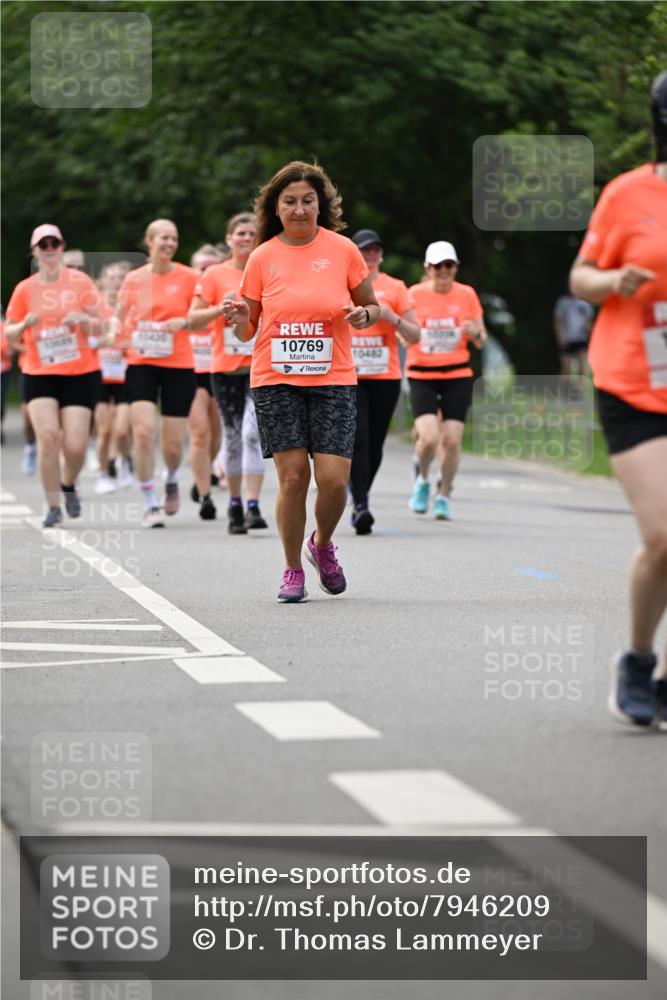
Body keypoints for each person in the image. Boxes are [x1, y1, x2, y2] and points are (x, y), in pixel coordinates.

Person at [221, 161, 379, 601]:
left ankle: (321, 545)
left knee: (333, 481)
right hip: (276, 378)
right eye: (289, 201)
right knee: (292, 478)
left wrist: (363, 315)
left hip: (333, 378)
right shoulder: (263, 256)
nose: (299, 209)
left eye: (308, 201)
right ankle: (292, 569)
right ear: (276, 207)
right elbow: (247, 328)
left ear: (320, 205)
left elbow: (372, 307)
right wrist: (238, 318)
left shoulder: (343, 250)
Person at [570, 70, 667, 729]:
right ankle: (636, 661)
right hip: (633, 378)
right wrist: (612, 280)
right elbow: (579, 277)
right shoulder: (626, 193)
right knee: (663, 535)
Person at [4, 224, 102, 526]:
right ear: (34, 251)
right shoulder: (25, 289)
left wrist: (83, 320)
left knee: (74, 445)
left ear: (62, 246)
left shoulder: (81, 282)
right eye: (42, 243)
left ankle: (69, 483)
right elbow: (8, 332)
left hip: (79, 371)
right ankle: (52, 505)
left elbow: (102, 326)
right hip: (39, 370)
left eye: (54, 242)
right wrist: (23, 325)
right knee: (48, 437)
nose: (48, 247)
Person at [113, 219, 198, 528]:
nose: (169, 243)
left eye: (174, 238)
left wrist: (185, 322)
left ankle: (172, 477)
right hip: (142, 362)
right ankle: (150, 502)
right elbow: (119, 317)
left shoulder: (189, 278)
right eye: (163, 237)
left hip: (179, 364)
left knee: (174, 445)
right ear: (149, 241)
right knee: (144, 432)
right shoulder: (134, 279)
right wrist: (113, 332)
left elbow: (200, 316)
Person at [189, 217, 267, 533]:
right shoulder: (215, 274)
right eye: (240, 233)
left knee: (253, 434)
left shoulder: (266, 269)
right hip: (225, 370)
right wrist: (219, 310)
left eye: (252, 233)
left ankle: (253, 503)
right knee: (233, 438)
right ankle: (235, 503)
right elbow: (193, 319)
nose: (246, 238)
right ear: (230, 238)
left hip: (260, 368)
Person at [407, 241, 487, 519]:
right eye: (437, 266)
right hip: (422, 374)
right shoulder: (414, 295)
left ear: (455, 267)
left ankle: (444, 495)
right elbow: (400, 333)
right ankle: (423, 480)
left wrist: (473, 331)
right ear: (427, 268)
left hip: (457, 374)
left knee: (452, 440)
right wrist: (412, 334)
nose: (443, 271)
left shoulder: (467, 294)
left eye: (448, 265)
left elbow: (482, 339)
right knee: (428, 438)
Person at [347, 229, 420, 534]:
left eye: (376, 249)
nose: (371, 254)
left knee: (375, 443)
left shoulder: (396, 287)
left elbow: (415, 335)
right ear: (355, 253)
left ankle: (359, 493)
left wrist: (392, 317)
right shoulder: (343, 283)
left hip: (385, 376)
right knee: (358, 440)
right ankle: (361, 504)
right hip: (349, 375)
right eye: (365, 249)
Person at [187, 244, 225, 520]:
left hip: (218, 368)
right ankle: (205, 495)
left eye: (211, 267)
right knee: (200, 432)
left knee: (215, 433)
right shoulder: (184, 292)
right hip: (188, 370)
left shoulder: (224, 292)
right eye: (201, 267)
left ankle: (206, 468)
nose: (205, 272)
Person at [94, 261, 133, 493]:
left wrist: (129, 343)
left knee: (121, 430)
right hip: (99, 374)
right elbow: (84, 338)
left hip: (125, 373)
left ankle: (125, 461)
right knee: (105, 430)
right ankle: (103, 474)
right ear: (102, 281)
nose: (117, 281)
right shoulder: (95, 307)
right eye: (112, 277)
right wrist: (100, 341)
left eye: (121, 277)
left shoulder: (130, 307)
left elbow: (139, 335)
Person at [553, 292, 594, 380]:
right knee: (566, 368)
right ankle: (562, 390)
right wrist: (560, 337)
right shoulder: (563, 302)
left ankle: (579, 391)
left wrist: (589, 334)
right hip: (567, 338)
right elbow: (558, 321)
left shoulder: (586, 303)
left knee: (582, 368)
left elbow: (589, 321)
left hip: (581, 338)